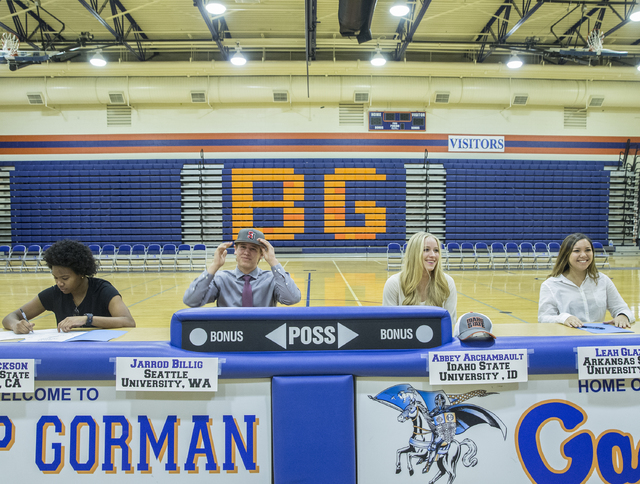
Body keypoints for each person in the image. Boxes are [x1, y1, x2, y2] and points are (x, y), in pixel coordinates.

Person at [2, 239, 136, 334]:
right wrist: (16, 325)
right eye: (55, 278)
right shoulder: (53, 294)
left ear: (81, 272)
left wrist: (87, 319)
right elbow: (11, 316)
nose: (59, 283)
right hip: (68, 353)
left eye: (65, 278)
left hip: (102, 352)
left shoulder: (103, 290)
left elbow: (128, 321)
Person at [183, 228, 301, 308]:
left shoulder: (271, 279)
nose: (246, 252)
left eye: (253, 249)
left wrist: (273, 262)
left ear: (261, 254)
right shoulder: (221, 279)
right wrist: (214, 267)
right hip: (229, 337)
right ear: (235, 249)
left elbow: (292, 298)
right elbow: (191, 301)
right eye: (242, 247)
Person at [538, 233, 634, 328]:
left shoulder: (603, 280)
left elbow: (621, 308)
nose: (583, 255)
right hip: (567, 339)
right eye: (577, 251)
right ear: (566, 255)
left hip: (597, 339)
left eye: (588, 250)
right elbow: (544, 318)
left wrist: (623, 316)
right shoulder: (550, 285)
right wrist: (564, 318)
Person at [382, 232, 457, 327]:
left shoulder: (447, 282)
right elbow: (388, 326)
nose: (433, 255)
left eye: (436, 250)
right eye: (426, 250)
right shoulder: (394, 283)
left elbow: (449, 325)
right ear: (414, 254)